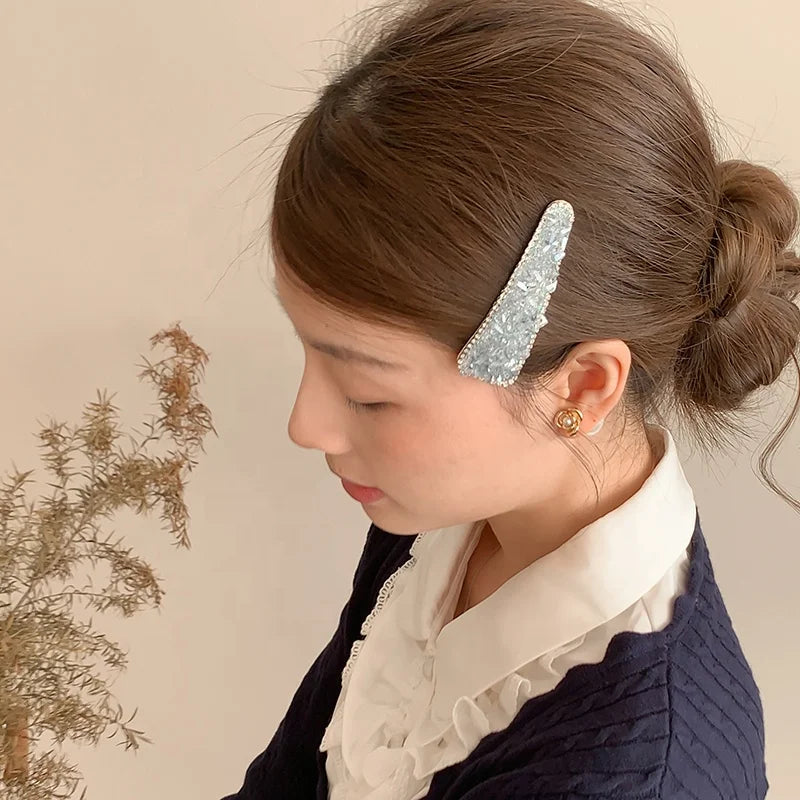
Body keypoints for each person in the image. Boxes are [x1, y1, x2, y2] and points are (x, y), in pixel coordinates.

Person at [222, 0, 800, 797]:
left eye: (367, 394)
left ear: (582, 387)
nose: (305, 425)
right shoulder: (444, 519)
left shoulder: (632, 774)